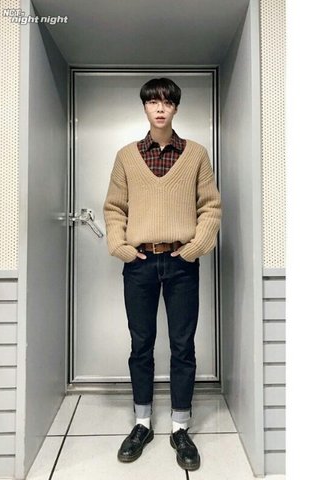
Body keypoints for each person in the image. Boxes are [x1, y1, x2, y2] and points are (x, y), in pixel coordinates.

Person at [103, 77, 221, 471]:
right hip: (139, 264)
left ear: (175, 108)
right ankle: (142, 423)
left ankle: (180, 427)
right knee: (141, 344)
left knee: (182, 345)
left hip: (181, 263)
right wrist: (120, 246)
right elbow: (114, 207)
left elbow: (210, 207)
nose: (159, 108)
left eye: (166, 103)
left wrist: (195, 247)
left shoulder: (196, 154)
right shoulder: (126, 156)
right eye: (152, 102)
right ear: (144, 108)